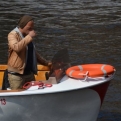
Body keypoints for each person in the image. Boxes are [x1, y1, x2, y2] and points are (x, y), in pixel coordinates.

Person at [7, 15, 51, 90]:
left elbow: (33, 53)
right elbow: (16, 47)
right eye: (29, 28)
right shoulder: (12, 34)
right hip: (17, 76)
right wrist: (29, 37)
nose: (31, 30)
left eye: (32, 28)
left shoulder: (27, 36)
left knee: (32, 94)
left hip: (29, 73)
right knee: (19, 97)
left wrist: (47, 63)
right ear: (22, 26)